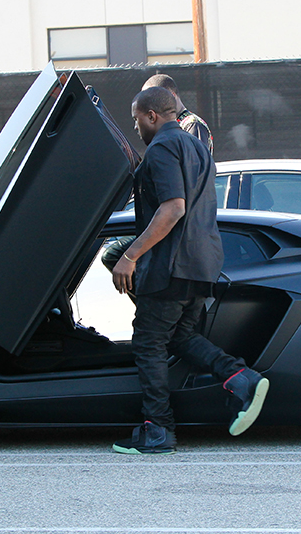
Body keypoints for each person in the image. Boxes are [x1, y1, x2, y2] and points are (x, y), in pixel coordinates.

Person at [109, 86, 268, 454]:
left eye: (136, 120)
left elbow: (173, 208)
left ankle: (157, 430)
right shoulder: (198, 146)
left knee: (149, 343)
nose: (136, 128)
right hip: (202, 263)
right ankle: (240, 378)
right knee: (180, 337)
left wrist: (130, 256)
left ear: (151, 116)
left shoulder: (163, 147)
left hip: (171, 264)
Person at [100, 74, 212, 275]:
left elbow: (183, 191)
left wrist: (130, 256)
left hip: (181, 239)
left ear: (167, 95)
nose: (136, 125)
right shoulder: (170, 135)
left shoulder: (188, 127)